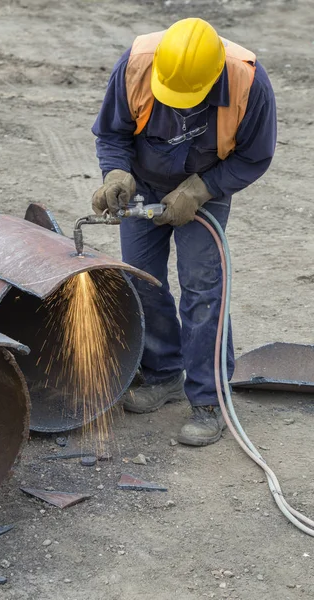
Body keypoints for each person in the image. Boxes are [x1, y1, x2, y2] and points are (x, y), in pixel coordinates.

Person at [91, 18, 276, 446]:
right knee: (141, 279)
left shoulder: (249, 82)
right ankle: (163, 373)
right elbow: (112, 132)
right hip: (145, 178)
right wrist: (116, 172)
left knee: (202, 287)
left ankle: (209, 400)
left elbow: (255, 156)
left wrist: (201, 189)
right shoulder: (138, 64)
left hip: (205, 188)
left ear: (214, 78)